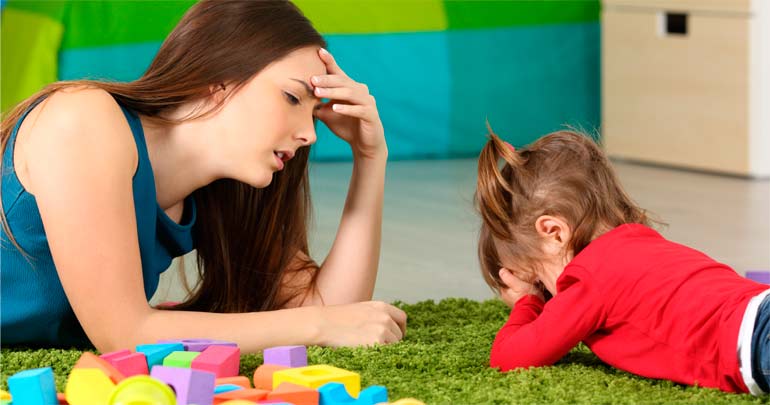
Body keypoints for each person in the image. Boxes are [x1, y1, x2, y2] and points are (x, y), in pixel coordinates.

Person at [1, 0, 406, 353]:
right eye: (292, 97)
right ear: (218, 82)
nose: (309, 134)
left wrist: (370, 157)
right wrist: (318, 327)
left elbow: (333, 310)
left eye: (314, 112)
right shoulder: (82, 120)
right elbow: (123, 333)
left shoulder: (219, 191)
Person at [474, 129, 769, 394]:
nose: (551, 299)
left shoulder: (588, 279)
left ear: (554, 232)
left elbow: (509, 358)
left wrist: (528, 301)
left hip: (756, 342)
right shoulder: (639, 242)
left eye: (540, 281)